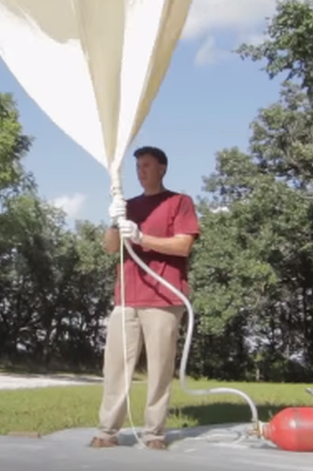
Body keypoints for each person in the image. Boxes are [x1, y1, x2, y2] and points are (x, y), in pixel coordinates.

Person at [89, 146, 200, 451]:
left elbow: (182, 246)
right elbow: (111, 247)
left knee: (160, 370)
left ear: (162, 168)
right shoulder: (128, 205)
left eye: (147, 165)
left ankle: (154, 434)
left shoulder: (179, 202)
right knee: (114, 369)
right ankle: (107, 431)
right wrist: (114, 221)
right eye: (138, 166)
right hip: (126, 298)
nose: (141, 171)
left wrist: (141, 238)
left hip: (164, 298)